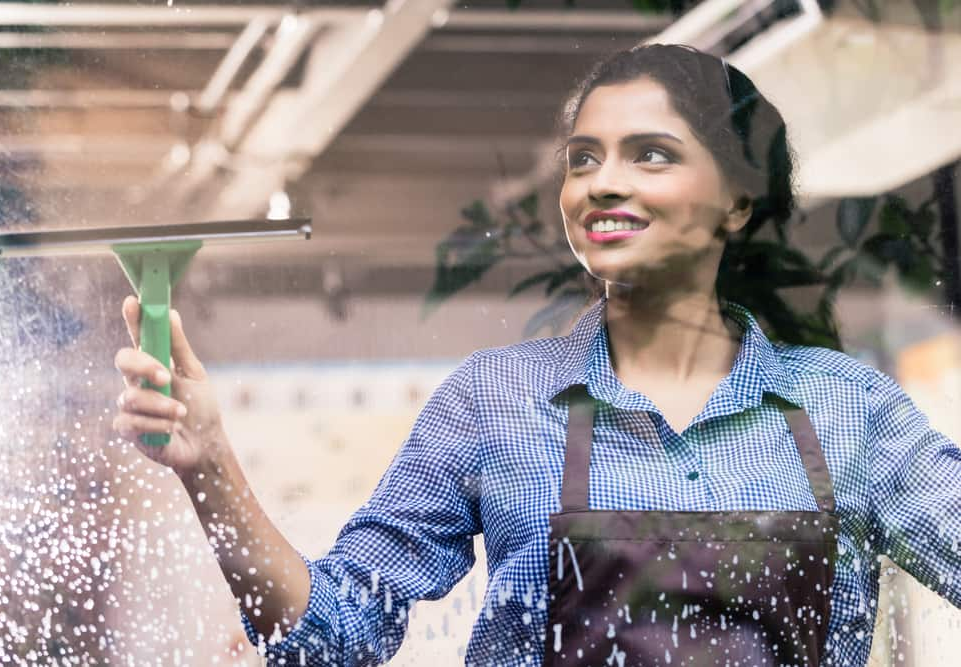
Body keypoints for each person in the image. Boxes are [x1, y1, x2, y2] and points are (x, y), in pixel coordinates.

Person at [113, 44, 961, 666]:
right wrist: (209, 461)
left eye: (651, 155)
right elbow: (332, 637)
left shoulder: (851, 412)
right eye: (582, 159)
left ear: (737, 200)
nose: (601, 183)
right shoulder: (496, 401)